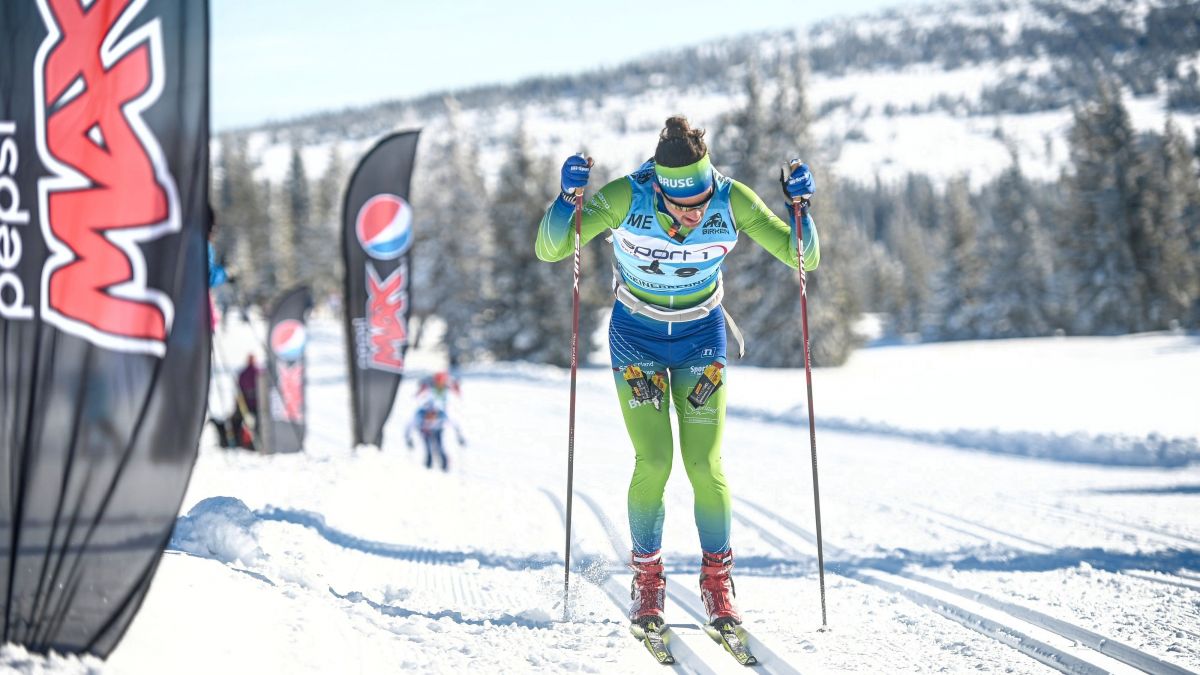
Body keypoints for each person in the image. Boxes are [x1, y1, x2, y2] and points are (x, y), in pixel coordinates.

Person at [534, 116, 820, 633]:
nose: (695, 212)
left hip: (700, 337)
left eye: (702, 200)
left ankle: (717, 586)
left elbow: (805, 258)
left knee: (704, 463)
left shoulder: (731, 201)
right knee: (655, 459)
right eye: (683, 204)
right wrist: (566, 200)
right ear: (659, 189)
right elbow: (552, 248)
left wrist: (801, 214)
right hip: (635, 336)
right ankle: (647, 581)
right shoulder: (627, 196)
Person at [405, 397, 465, 471]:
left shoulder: (441, 415)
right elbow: (408, 427)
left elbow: (455, 425)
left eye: (434, 413)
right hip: (425, 431)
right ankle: (428, 465)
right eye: (429, 414)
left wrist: (460, 437)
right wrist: (408, 439)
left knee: (440, 447)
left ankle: (444, 466)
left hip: (437, 430)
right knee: (428, 448)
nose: (431, 416)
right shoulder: (419, 416)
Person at [230, 354, 260, 449]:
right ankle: (241, 442)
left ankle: (240, 442)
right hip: (250, 404)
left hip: (249, 404)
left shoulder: (253, 372)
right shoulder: (257, 372)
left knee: (243, 423)